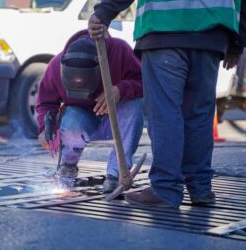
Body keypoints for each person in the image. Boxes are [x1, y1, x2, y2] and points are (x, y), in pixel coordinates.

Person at [88, 0, 246, 208]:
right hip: (212, 33)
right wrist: (237, 41)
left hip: (164, 29)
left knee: (164, 112)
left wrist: (104, 12)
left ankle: (165, 189)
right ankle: (200, 188)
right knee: (199, 114)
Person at [36, 29, 144, 193]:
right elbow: (45, 103)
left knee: (134, 105)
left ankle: (116, 174)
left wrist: (120, 90)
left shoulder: (119, 51)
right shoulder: (55, 66)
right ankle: (68, 165)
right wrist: (45, 129)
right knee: (71, 118)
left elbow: (145, 81)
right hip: (84, 121)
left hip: (116, 120)